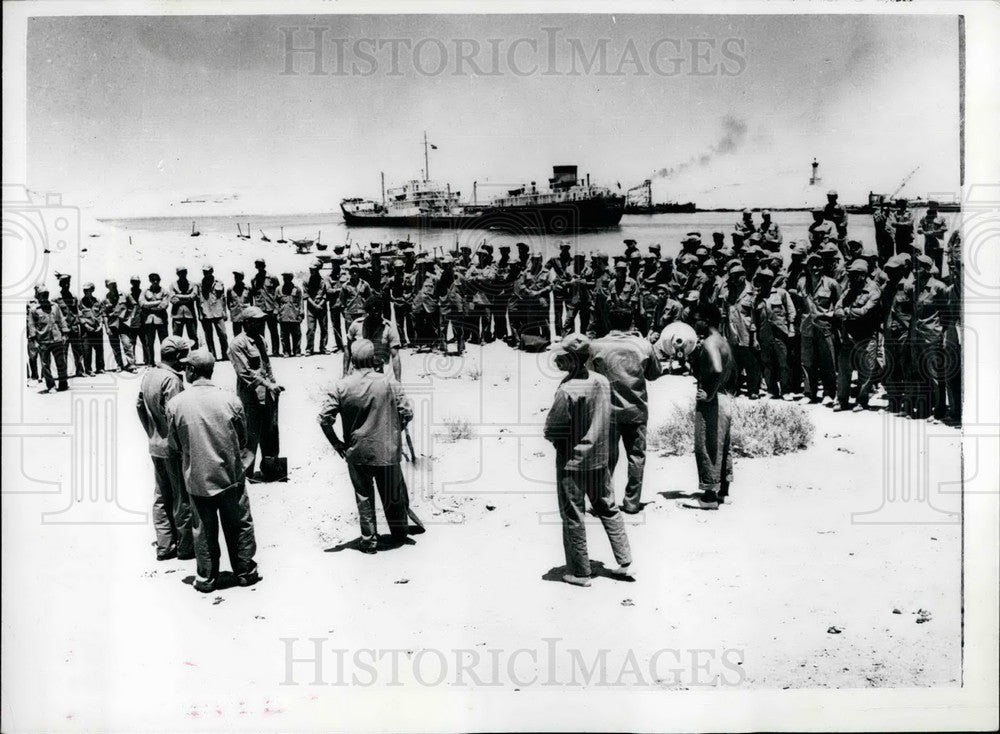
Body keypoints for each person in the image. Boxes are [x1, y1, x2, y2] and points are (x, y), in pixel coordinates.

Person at [166, 348, 259, 592]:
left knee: (203, 530)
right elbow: (242, 439)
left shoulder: (176, 404)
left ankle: (206, 579)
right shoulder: (230, 399)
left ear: (191, 370)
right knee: (239, 524)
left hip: (197, 477)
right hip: (230, 476)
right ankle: (245, 572)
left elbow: (174, 444)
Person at [544, 333, 633, 587]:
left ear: (572, 359)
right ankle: (625, 560)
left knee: (574, 514)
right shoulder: (601, 381)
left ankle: (580, 572)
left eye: (562, 356)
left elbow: (552, 429)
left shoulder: (567, 389)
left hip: (572, 462)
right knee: (608, 507)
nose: (557, 359)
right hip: (600, 457)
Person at [318, 339, 415, 554]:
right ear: (374, 358)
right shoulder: (390, 383)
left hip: (357, 451)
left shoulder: (341, 386)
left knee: (364, 497)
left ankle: (369, 541)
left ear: (352, 360)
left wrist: (337, 444)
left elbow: (324, 419)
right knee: (392, 493)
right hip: (387, 449)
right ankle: (399, 535)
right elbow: (407, 413)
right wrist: (393, 433)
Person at [589, 307, 662, 514]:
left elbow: (589, 376)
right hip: (636, 410)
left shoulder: (596, 346)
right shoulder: (643, 345)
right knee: (636, 456)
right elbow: (654, 374)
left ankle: (605, 502)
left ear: (609, 322)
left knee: (605, 458)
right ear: (631, 322)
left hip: (606, 412)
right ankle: (632, 502)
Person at [137, 336, 194, 561]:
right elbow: (177, 415)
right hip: (172, 448)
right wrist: (181, 444)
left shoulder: (149, 374)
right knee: (181, 497)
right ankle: (185, 546)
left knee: (161, 495)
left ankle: (164, 545)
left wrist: (152, 432)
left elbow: (139, 406)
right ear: (178, 356)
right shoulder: (172, 380)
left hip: (155, 445)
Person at [681, 303, 735, 510]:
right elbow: (729, 371)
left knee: (708, 444)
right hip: (725, 397)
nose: (694, 324)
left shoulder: (710, 343)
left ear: (707, 320)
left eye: (696, 320)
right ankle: (723, 492)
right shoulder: (723, 341)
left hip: (713, 401)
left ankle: (709, 497)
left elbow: (717, 369)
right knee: (723, 446)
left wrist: (709, 393)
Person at [228, 307, 283, 479]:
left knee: (270, 432)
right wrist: (268, 384)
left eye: (262, 320)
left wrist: (273, 384)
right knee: (250, 434)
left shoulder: (260, 339)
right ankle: (247, 473)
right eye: (257, 321)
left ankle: (270, 470)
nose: (261, 324)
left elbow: (266, 366)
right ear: (246, 323)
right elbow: (245, 372)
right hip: (250, 397)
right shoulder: (237, 344)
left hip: (268, 394)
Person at [833, 260, 882, 412]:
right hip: (848, 336)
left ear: (862, 275)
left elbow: (865, 312)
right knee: (844, 369)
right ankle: (842, 400)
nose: (851, 277)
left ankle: (861, 401)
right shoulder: (849, 291)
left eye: (854, 274)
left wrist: (847, 312)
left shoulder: (874, 290)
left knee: (865, 369)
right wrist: (846, 312)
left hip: (867, 336)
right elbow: (837, 309)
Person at [795, 253, 841, 404]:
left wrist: (831, 318)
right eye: (812, 265)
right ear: (807, 267)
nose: (815, 268)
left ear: (823, 266)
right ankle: (809, 393)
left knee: (828, 362)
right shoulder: (801, 283)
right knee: (807, 362)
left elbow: (839, 306)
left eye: (818, 264)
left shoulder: (832, 284)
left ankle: (829, 393)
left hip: (825, 328)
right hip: (807, 328)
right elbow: (799, 306)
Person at [753, 268, 797, 400]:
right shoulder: (757, 298)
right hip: (764, 335)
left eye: (767, 279)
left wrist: (791, 328)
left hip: (780, 334)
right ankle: (772, 390)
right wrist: (755, 338)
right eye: (762, 279)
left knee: (784, 363)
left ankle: (786, 391)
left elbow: (791, 311)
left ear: (771, 280)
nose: (764, 282)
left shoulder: (781, 293)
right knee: (767, 364)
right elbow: (754, 320)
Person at [721, 264, 761, 398]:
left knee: (752, 363)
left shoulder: (753, 292)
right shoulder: (728, 293)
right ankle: (733, 389)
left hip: (747, 333)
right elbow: (724, 315)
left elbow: (755, 317)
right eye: (732, 277)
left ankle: (753, 390)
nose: (734, 279)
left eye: (736, 276)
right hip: (732, 333)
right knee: (734, 363)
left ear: (743, 276)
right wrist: (724, 334)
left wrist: (755, 337)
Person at [345, 294, 402, 380]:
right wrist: (345, 373)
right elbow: (348, 350)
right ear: (367, 311)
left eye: (379, 310)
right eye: (373, 311)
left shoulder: (389, 328)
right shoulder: (356, 325)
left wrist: (398, 381)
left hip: (377, 371)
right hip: (357, 370)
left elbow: (395, 356)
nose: (376, 313)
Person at [27, 286, 69, 393]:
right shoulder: (34, 310)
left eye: (47, 294)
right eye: (43, 294)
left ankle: (63, 383)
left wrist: (65, 334)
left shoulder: (55, 306)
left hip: (57, 339)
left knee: (61, 362)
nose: (45, 296)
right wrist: (34, 341)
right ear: (38, 295)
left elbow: (61, 320)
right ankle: (51, 386)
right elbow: (31, 325)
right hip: (43, 340)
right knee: (45, 365)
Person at [54, 274, 86, 377]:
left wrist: (79, 324)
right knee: (63, 352)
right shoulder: (56, 299)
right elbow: (55, 316)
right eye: (64, 283)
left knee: (78, 351)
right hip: (64, 330)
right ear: (60, 284)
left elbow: (77, 312)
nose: (67, 285)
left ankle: (80, 371)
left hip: (74, 328)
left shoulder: (74, 297)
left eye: (68, 283)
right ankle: (64, 373)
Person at [102, 279, 136, 372]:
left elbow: (133, 305)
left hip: (124, 324)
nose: (113, 286)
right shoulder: (105, 299)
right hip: (112, 325)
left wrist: (130, 317)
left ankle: (131, 365)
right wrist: (107, 328)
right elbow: (104, 315)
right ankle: (119, 365)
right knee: (115, 346)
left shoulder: (125, 294)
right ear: (107, 287)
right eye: (111, 285)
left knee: (127, 344)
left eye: (114, 284)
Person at [197, 265, 229, 360]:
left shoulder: (219, 283)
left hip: (218, 312)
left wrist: (225, 312)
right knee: (209, 336)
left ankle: (225, 355)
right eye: (204, 272)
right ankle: (212, 356)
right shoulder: (199, 284)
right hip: (206, 312)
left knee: (223, 334)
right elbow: (198, 300)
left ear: (212, 271)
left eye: (207, 271)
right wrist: (200, 314)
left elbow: (223, 298)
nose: (205, 273)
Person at [250, 259, 280, 356]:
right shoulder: (254, 280)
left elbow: (278, 293)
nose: (260, 267)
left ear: (264, 266)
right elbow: (253, 294)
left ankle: (275, 351)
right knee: (260, 332)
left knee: (273, 331)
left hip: (271, 308)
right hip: (260, 310)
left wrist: (276, 309)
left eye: (261, 265)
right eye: (258, 265)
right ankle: (262, 351)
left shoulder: (272, 278)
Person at [140, 272, 170, 366]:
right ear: (150, 281)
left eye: (157, 280)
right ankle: (151, 362)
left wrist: (149, 307)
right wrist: (157, 302)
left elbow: (163, 305)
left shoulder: (164, 291)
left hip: (161, 320)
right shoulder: (145, 291)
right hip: (149, 321)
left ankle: (165, 362)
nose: (155, 282)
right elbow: (142, 304)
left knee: (164, 342)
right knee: (149, 342)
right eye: (153, 280)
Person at [78, 282, 106, 375]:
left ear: (92, 290)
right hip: (86, 330)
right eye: (84, 290)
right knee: (87, 351)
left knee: (99, 349)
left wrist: (100, 325)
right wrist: (87, 326)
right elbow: (79, 316)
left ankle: (100, 368)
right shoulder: (80, 302)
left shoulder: (97, 301)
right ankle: (89, 370)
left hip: (97, 329)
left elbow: (102, 313)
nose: (85, 292)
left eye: (87, 290)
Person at [303, 259, 330, 355]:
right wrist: (314, 305)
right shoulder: (306, 280)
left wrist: (320, 304)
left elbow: (326, 294)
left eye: (313, 269)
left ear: (318, 269)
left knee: (324, 328)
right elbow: (306, 295)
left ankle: (323, 347)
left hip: (322, 307)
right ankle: (309, 348)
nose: (311, 271)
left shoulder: (324, 280)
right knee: (311, 329)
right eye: (310, 269)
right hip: (311, 307)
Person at [169, 267, 200, 346]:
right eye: (180, 273)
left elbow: (193, 297)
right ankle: (178, 353)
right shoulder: (172, 285)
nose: (182, 274)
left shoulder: (193, 285)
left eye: (184, 272)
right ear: (177, 274)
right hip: (177, 315)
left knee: (193, 336)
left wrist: (178, 296)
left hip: (190, 315)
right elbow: (173, 300)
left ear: (186, 273)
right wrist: (187, 297)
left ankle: (195, 352)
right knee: (176, 338)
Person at [276, 271, 303, 357]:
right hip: (283, 315)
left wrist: (301, 314)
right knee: (284, 336)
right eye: (284, 278)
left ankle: (297, 351)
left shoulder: (297, 289)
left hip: (295, 315)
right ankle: (286, 351)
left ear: (291, 278)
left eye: (287, 278)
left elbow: (300, 302)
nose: (285, 279)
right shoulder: (279, 289)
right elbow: (276, 302)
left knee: (296, 335)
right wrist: (277, 314)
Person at [917, 201, 948, 273]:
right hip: (928, 244)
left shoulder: (941, 217)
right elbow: (919, 228)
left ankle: (938, 278)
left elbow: (944, 229)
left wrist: (933, 232)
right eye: (930, 205)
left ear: (937, 206)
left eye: (934, 205)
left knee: (938, 264)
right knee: (928, 263)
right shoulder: (924, 217)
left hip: (939, 244)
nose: (932, 207)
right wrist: (921, 230)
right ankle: (929, 278)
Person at [326, 257, 347, 352]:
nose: (335, 266)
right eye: (334, 264)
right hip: (334, 304)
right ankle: (340, 346)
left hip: (344, 304)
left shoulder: (345, 275)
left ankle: (350, 344)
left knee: (348, 324)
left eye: (337, 264)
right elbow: (328, 290)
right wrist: (340, 289)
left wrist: (336, 290)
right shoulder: (328, 277)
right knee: (336, 326)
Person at [227, 270, 251, 336]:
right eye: (235, 276)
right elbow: (228, 303)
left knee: (249, 335)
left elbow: (252, 302)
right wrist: (233, 312)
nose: (236, 278)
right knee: (237, 336)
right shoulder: (230, 290)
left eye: (239, 277)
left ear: (242, 278)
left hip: (247, 316)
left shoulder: (248, 288)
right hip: (236, 317)